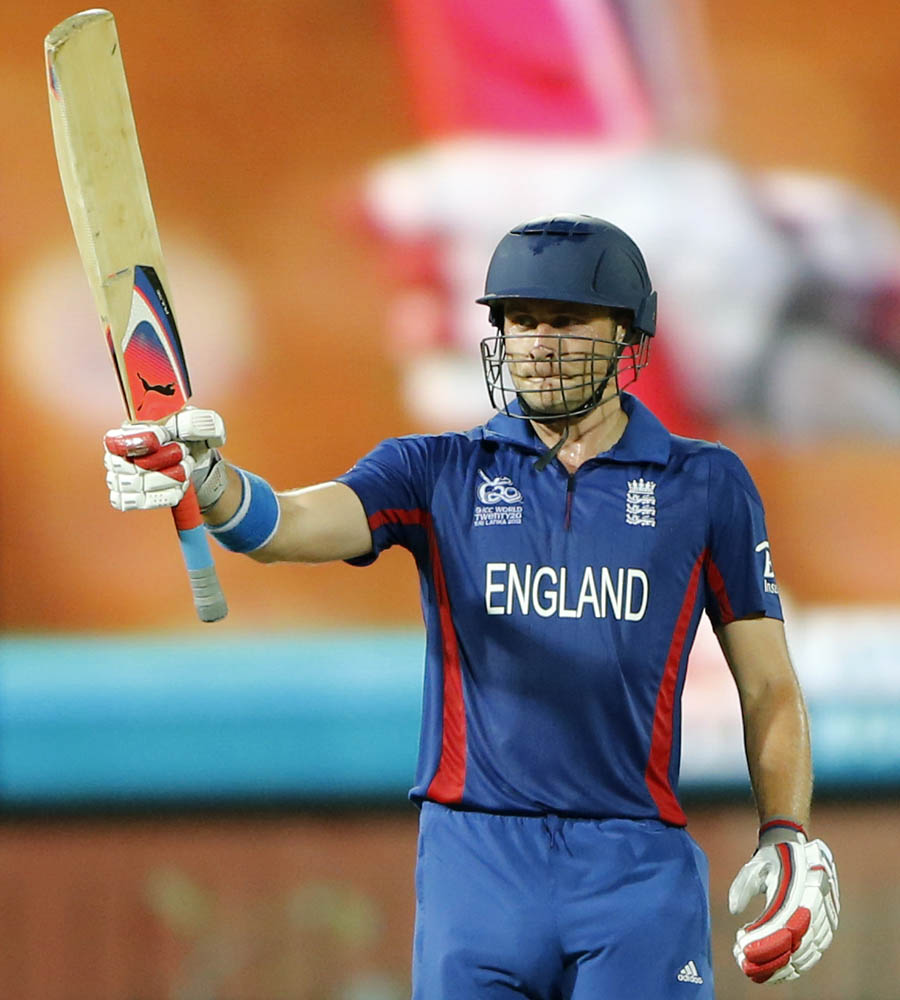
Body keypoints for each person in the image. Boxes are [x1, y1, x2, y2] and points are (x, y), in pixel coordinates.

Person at [104, 215, 839, 997]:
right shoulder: (435, 469)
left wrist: (787, 832)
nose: (538, 343)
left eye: (566, 321)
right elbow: (288, 526)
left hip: (634, 866)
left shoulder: (706, 484)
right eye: (520, 320)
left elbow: (768, 685)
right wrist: (212, 485)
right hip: (476, 866)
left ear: (625, 333)